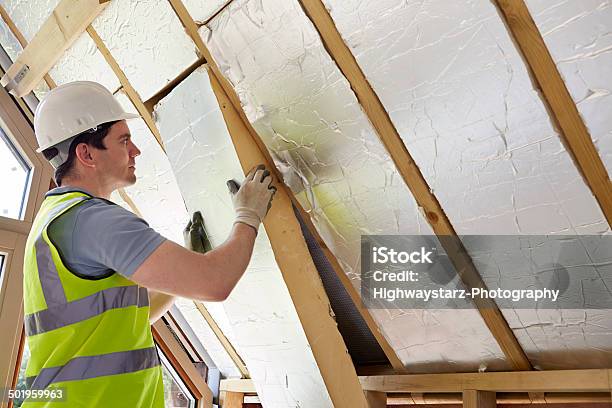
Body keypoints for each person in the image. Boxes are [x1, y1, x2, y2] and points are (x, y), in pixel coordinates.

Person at [21, 81, 276, 407]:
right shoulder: (94, 221)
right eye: (123, 140)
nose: (135, 150)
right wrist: (248, 215)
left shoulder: (53, 220)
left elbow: (127, 322)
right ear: (86, 153)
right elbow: (215, 282)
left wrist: (180, 275)